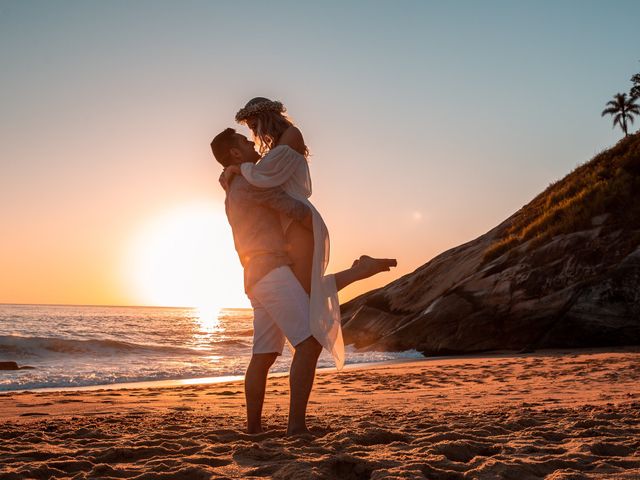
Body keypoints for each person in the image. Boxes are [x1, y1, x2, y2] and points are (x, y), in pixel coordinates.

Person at [211, 128, 395, 435]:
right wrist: (313, 224)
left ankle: (254, 429)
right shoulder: (247, 183)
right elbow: (291, 207)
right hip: (269, 269)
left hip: (255, 274)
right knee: (308, 344)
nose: (251, 142)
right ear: (235, 153)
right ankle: (296, 427)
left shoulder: (234, 187)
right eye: (245, 141)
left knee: (264, 354)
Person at [222, 97, 395, 372]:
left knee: (309, 299)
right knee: (308, 295)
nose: (254, 135)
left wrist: (237, 169)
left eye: (254, 125)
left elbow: (261, 178)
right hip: (289, 225)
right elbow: (262, 181)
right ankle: (361, 270)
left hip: (299, 223)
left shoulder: (291, 136)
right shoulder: (275, 149)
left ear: (267, 116)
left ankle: (361, 270)